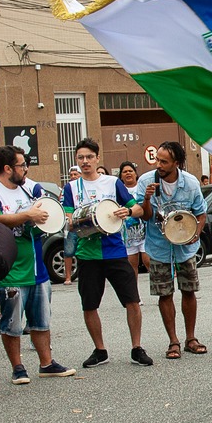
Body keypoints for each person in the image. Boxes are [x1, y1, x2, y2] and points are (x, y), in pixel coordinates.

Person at [0, 146, 73, 384]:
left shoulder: (27, 189)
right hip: (9, 269)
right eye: (21, 165)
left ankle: (47, 363)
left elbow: (41, 213)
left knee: (41, 320)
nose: (26, 170)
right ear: (8, 168)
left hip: (35, 267)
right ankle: (18, 367)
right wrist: (28, 217)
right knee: (11, 323)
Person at [62, 139, 151, 369]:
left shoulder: (112, 182)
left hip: (115, 250)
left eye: (89, 157)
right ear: (76, 160)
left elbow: (139, 209)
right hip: (87, 253)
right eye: (80, 158)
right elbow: (69, 220)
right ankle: (100, 350)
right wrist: (76, 222)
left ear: (97, 158)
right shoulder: (71, 188)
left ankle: (136, 347)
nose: (85, 162)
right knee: (89, 304)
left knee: (132, 300)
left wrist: (128, 211)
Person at [136, 141, 209, 359]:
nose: (158, 164)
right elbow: (146, 216)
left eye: (164, 161)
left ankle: (191, 338)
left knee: (189, 290)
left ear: (176, 163)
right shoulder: (146, 181)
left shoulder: (191, 183)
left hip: (185, 248)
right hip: (158, 247)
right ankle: (173, 341)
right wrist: (147, 198)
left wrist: (195, 235)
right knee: (164, 294)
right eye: (157, 159)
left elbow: (201, 213)